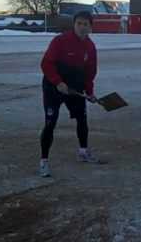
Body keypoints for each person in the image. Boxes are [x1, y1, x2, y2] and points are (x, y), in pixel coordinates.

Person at [39, 11, 98, 178]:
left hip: (75, 89)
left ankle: (83, 152)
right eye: (79, 23)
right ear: (74, 24)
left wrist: (90, 92)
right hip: (53, 88)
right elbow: (46, 64)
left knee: (82, 119)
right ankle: (44, 161)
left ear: (90, 27)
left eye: (85, 24)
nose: (82, 27)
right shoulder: (60, 41)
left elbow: (90, 72)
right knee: (50, 123)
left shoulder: (90, 47)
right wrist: (58, 82)